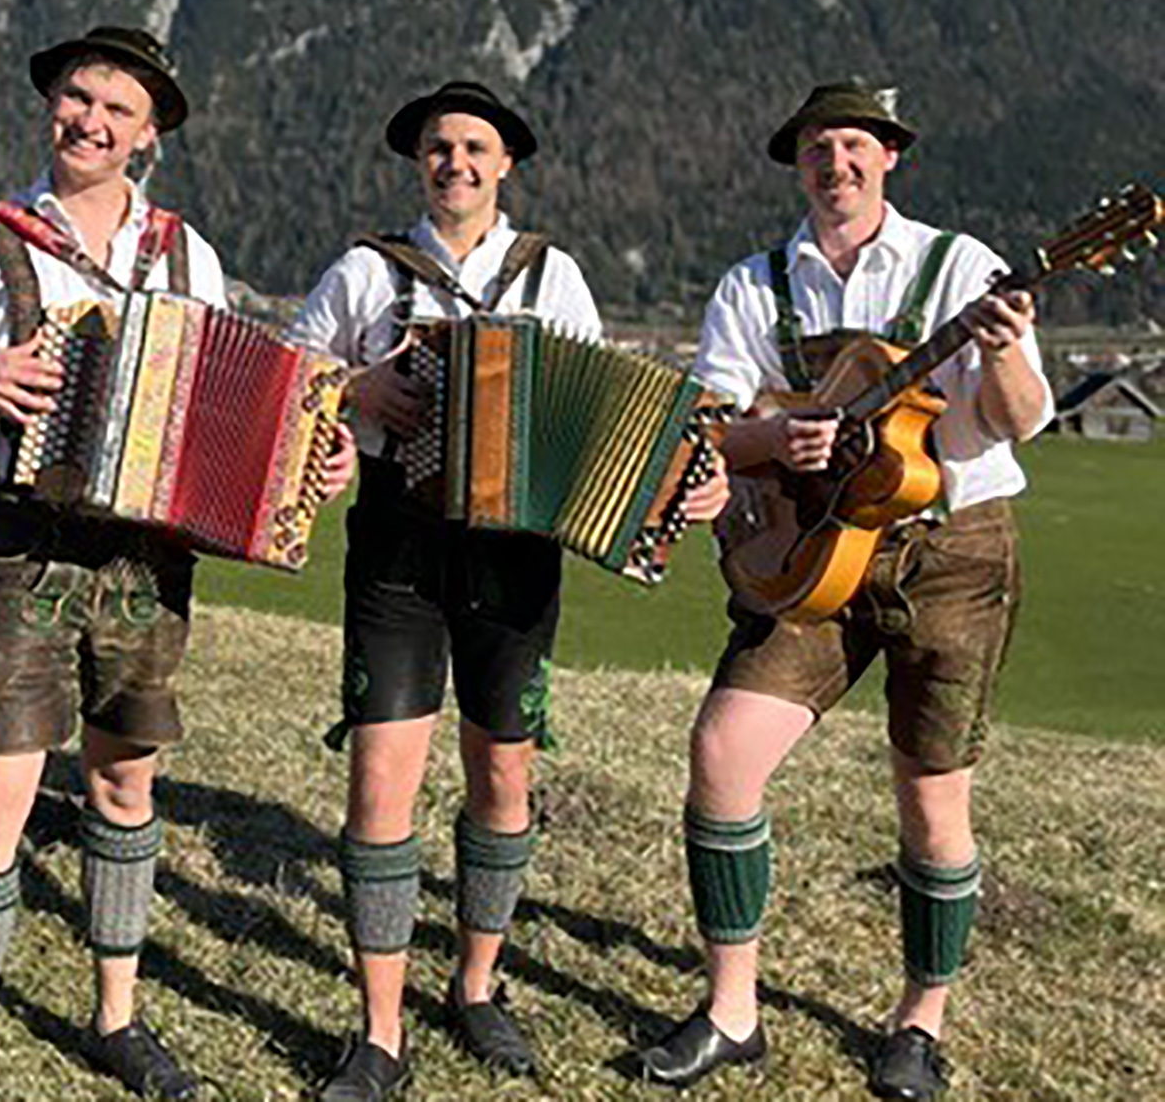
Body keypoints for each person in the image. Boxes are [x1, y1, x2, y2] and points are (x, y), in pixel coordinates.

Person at [0, 26, 354, 1102]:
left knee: (124, 781)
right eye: (76, 99)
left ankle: (116, 1017)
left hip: (145, 560)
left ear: (150, 136)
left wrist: (302, 466)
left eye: (115, 110)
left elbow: (238, 415)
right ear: (52, 108)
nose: (88, 121)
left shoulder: (191, 256)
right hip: (21, 542)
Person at [290, 81, 727, 1100]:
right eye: (439, 147)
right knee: (379, 784)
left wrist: (683, 478)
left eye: (474, 147)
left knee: (502, 779)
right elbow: (290, 374)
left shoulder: (552, 274)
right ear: (418, 163)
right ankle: (380, 1028)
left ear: (504, 165)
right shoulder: (366, 270)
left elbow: (603, 407)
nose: (456, 162)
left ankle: (476, 986)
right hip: (397, 555)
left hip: (516, 562)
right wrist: (353, 389)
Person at [637, 81, 1053, 1100]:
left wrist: (997, 348)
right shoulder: (753, 284)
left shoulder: (959, 268)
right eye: (821, 147)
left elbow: (1018, 418)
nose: (839, 163)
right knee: (723, 748)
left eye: (857, 145)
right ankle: (733, 1010)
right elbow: (713, 430)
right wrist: (776, 439)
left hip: (948, 548)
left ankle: (919, 1020)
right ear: (798, 161)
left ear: (890, 157)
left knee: (928, 794)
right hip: (812, 551)